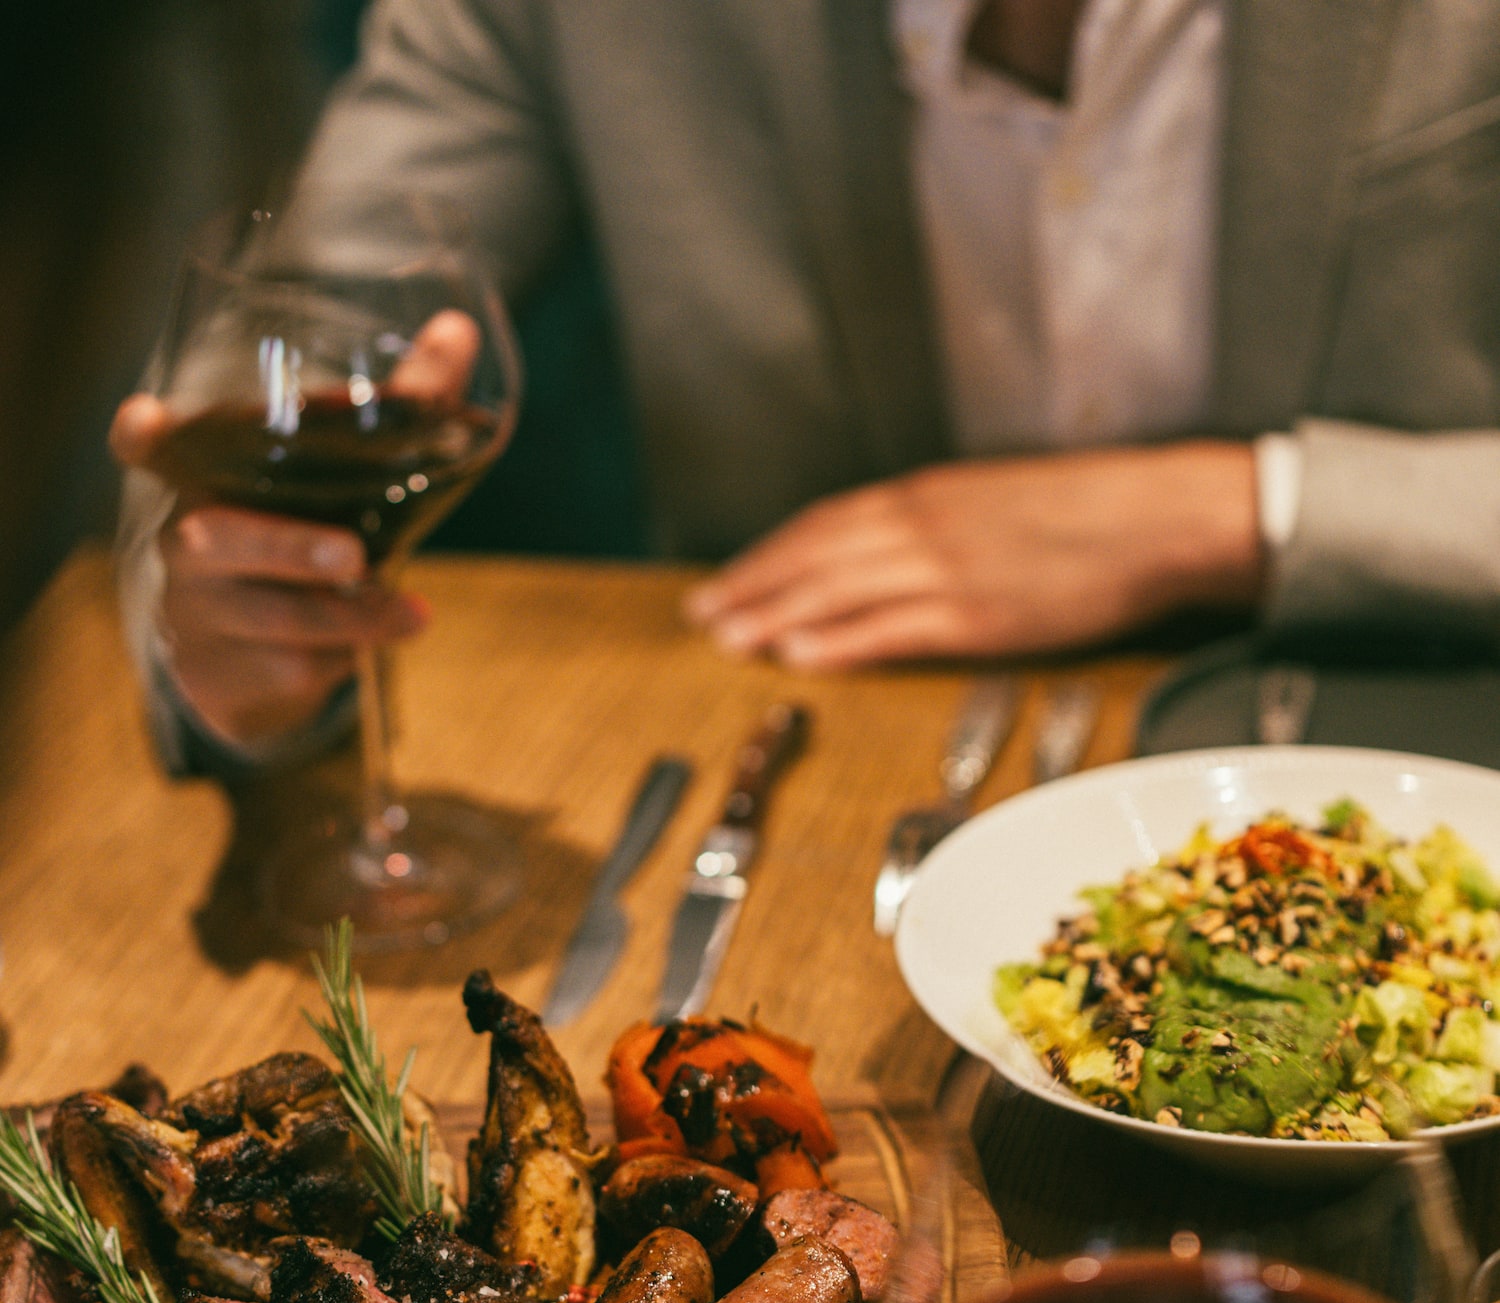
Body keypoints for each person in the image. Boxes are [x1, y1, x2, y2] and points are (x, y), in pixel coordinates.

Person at [113, 0, 1500, 765]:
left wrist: (1235, 509)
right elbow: (289, 338)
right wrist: (232, 599)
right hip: (800, 756)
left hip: (1405, 749)